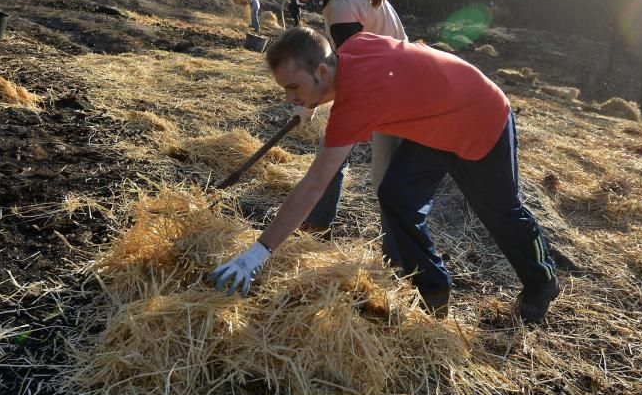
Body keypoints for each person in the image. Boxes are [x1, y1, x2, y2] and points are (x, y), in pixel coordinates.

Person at [210, 28, 559, 321]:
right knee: (396, 196)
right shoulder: (352, 49)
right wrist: (312, 102)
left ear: (320, 72)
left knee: (500, 210)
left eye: (293, 88)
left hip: (480, 116)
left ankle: (542, 283)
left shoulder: (357, 102)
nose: (289, 99)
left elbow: (315, 185)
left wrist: (258, 253)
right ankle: (434, 289)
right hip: (435, 124)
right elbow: (381, 80)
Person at [275, 0, 406, 260]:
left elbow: (354, 77)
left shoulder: (342, 5)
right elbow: (348, 65)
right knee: (366, 171)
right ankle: (319, 223)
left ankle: (400, 264)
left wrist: (311, 102)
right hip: (390, 87)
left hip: (394, 98)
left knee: (390, 188)